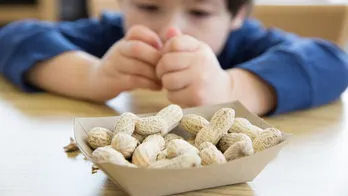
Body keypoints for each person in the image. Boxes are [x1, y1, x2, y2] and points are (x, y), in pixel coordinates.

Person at [0, 0, 347, 116]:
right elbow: (14, 37)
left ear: (238, 14)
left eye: (199, 11)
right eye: (149, 6)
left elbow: (333, 62)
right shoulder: (111, 36)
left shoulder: (247, 42)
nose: (171, 29)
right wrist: (91, 76)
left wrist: (231, 87)